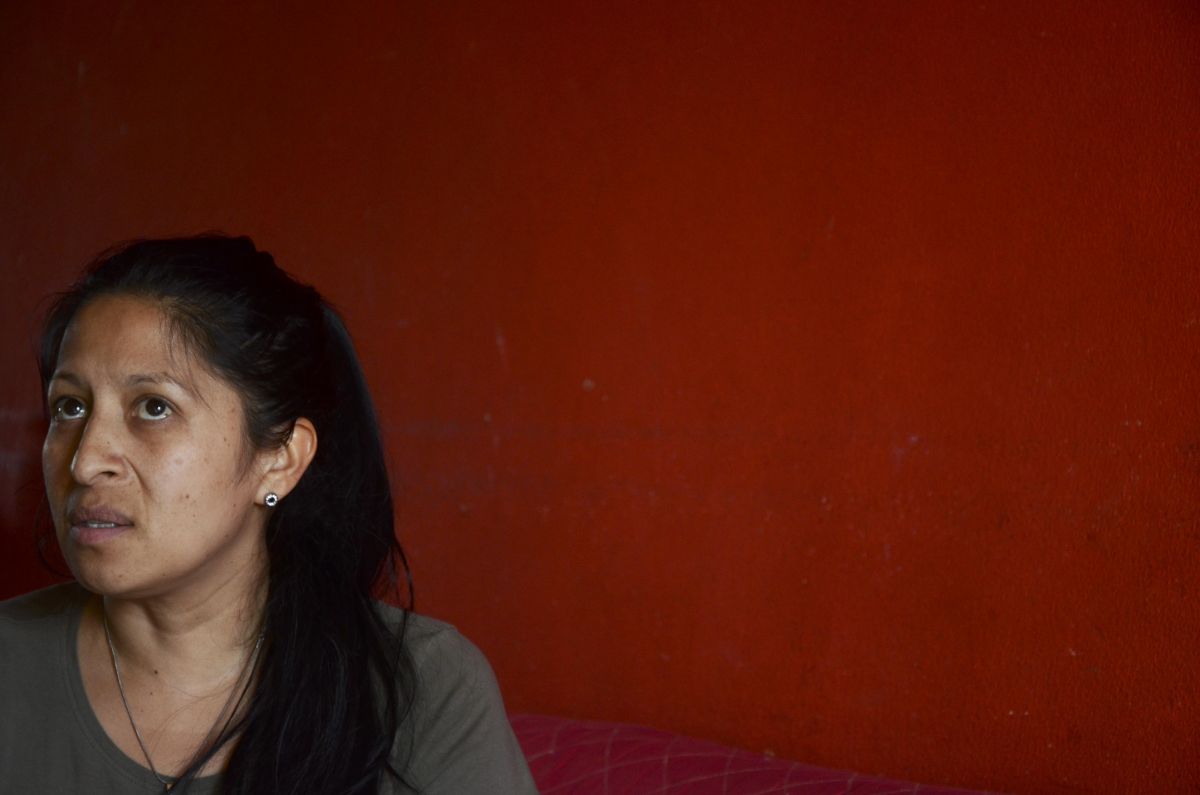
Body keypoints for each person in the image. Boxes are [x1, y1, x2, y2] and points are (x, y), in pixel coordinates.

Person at [0, 236, 539, 794]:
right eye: (70, 406)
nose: (86, 461)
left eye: (154, 407)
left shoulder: (422, 687)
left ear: (280, 459)